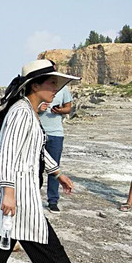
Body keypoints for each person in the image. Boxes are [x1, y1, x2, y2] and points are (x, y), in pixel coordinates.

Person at [0, 59, 99, 263]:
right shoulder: (20, 112)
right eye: (51, 83)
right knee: (43, 242)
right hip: (17, 191)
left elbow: (37, 150)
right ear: (35, 85)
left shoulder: (29, 111)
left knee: (3, 240)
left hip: (22, 189)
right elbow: (6, 153)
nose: (55, 89)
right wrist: (8, 192)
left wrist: (57, 173)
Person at [38, 80, 73, 213]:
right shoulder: (38, 87)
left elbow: (68, 108)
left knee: (54, 168)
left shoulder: (63, 88)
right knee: (36, 167)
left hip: (56, 133)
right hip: (38, 131)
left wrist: (59, 110)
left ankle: (53, 200)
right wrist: (38, 109)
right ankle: (33, 197)